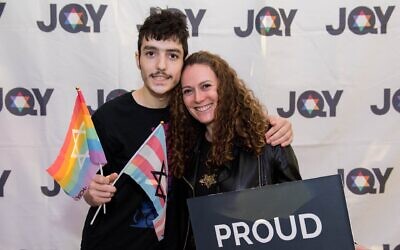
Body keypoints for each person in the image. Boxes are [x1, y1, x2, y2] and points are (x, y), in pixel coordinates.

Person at [80, 10, 293, 250]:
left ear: (184, 62)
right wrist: (90, 192)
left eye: (172, 55)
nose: (161, 65)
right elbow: (87, 184)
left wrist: (272, 125)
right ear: (137, 58)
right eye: (151, 53)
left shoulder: (196, 113)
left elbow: (235, 125)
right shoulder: (108, 117)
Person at [166, 51, 302, 249]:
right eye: (188, 91)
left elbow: (299, 215)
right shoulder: (184, 152)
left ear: (225, 88)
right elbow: (181, 230)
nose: (198, 98)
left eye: (206, 86)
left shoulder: (268, 140)